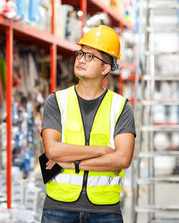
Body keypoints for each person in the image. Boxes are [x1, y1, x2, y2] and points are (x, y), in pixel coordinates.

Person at [41, 25, 136, 223]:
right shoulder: (56, 101)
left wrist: (72, 163)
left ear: (106, 68)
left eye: (90, 56)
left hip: (105, 211)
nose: (81, 59)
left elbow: (122, 159)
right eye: (81, 53)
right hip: (58, 207)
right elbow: (52, 150)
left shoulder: (121, 107)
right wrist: (102, 150)